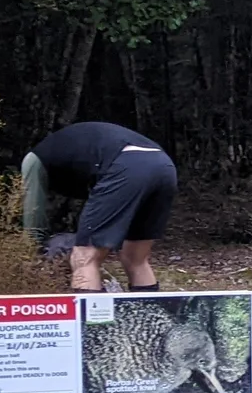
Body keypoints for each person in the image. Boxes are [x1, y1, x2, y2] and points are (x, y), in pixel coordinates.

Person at [21, 122, 176, 292]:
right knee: (134, 258)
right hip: (163, 165)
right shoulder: (76, 152)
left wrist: (30, 252)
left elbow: (33, 217)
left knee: (84, 257)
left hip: (125, 164)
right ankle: (149, 317)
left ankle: (96, 319)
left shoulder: (34, 160)